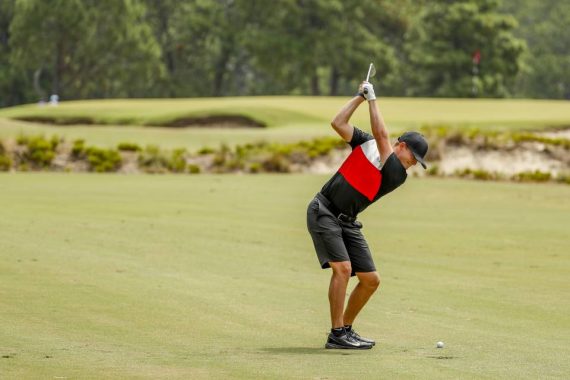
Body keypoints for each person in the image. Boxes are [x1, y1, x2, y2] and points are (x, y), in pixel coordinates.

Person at [306, 81, 428, 349]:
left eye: (417, 161)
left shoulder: (396, 174)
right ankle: (337, 334)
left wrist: (373, 98)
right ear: (403, 145)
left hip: (347, 222)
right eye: (413, 156)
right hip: (323, 210)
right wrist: (359, 98)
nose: (412, 163)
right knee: (343, 269)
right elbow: (338, 123)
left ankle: (345, 329)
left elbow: (382, 137)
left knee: (370, 280)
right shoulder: (367, 143)